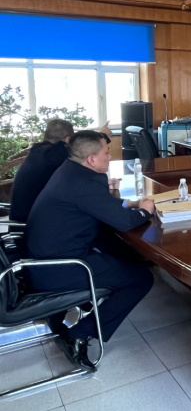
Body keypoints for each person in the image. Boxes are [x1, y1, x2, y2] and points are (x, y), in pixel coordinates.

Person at [25, 130, 155, 371]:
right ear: (92, 159)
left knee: (121, 253)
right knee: (141, 279)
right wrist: (145, 210)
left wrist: (128, 203)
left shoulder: (70, 171)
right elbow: (125, 222)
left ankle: (59, 314)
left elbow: (95, 203)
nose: (110, 156)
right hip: (58, 268)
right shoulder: (84, 183)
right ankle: (78, 334)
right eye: (106, 152)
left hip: (42, 259)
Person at [9, 120, 112, 222]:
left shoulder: (40, 151)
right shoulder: (55, 154)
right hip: (33, 222)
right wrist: (102, 136)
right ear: (68, 139)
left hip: (27, 216)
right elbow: (85, 149)